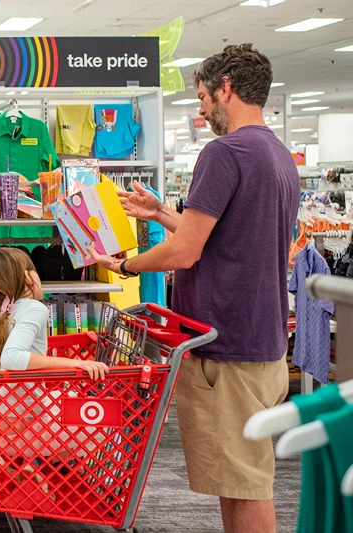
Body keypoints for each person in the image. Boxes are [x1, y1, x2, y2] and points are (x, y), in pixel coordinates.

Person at [88, 43, 300, 533]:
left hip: (224, 348)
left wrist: (125, 264)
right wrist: (162, 213)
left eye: (204, 97)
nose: (201, 111)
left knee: (244, 484)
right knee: (240, 479)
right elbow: (223, 236)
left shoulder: (224, 152)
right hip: (261, 342)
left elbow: (185, 252)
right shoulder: (277, 155)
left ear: (227, 89)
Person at [0, 246, 108, 377]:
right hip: (27, 408)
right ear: (27, 276)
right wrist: (74, 364)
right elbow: (11, 358)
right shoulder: (34, 308)